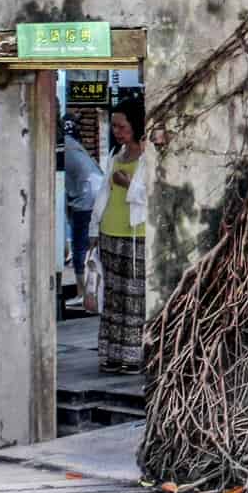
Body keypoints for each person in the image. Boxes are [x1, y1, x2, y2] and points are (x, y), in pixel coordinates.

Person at [87, 100, 152, 375]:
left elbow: (152, 194)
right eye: (114, 126)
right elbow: (103, 194)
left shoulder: (149, 157)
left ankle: (133, 357)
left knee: (134, 299)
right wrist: (93, 230)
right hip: (109, 233)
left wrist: (129, 185)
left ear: (135, 126)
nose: (116, 131)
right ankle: (112, 355)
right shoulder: (116, 155)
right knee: (112, 297)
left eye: (121, 126)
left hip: (135, 235)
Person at [62, 118, 102, 290]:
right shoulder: (77, 147)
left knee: (80, 246)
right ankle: (90, 290)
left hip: (84, 200)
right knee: (90, 245)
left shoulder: (63, 146)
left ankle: (83, 292)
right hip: (95, 196)